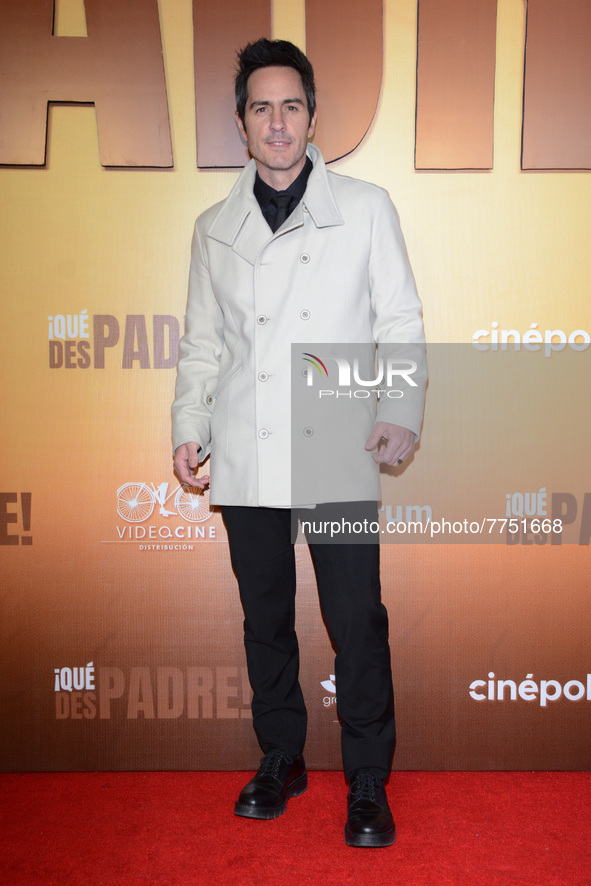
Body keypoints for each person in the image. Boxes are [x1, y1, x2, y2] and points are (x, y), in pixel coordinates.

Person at [172, 38, 425, 848]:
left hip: (333, 439)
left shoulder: (367, 206)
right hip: (245, 447)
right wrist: (188, 425)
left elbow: (401, 322)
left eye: (290, 105)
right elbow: (202, 345)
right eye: (259, 107)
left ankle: (365, 778)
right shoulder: (214, 227)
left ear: (312, 117)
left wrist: (399, 407)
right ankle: (281, 755)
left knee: (356, 617)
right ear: (240, 125)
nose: (276, 122)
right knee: (265, 619)